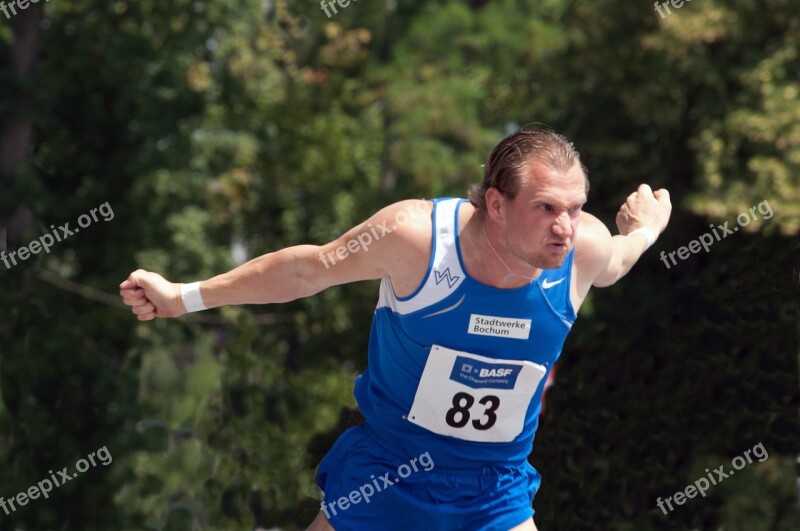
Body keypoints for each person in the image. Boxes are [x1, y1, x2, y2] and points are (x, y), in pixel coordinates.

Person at [119, 128, 672, 530]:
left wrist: (645, 230)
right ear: (496, 204)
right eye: (547, 207)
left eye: (575, 208)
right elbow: (307, 269)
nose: (565, 227)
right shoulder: (419, 240)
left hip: (494, 489)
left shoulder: (582, 250)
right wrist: (183, 297)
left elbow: (618, 260)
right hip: (389, 471)